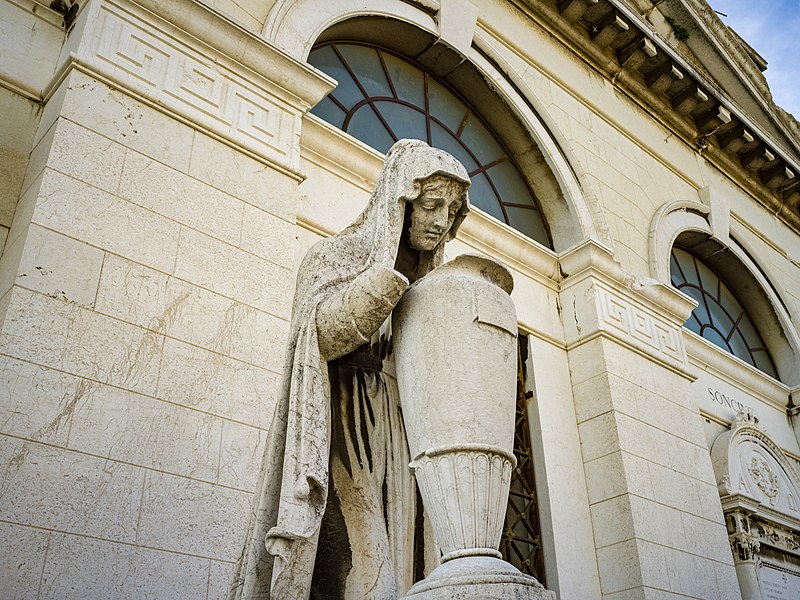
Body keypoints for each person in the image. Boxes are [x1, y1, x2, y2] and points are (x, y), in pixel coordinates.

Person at [229, 139, 471, 600]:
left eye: (452, 210)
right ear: (401, 200)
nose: (441, 221)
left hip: (404, 437)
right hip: (343, 424)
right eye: (432, 204)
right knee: (361, 567)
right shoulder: (334, 258)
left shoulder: (433, 287)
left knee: (409, 568)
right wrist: (384, 284)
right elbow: (318, 335)